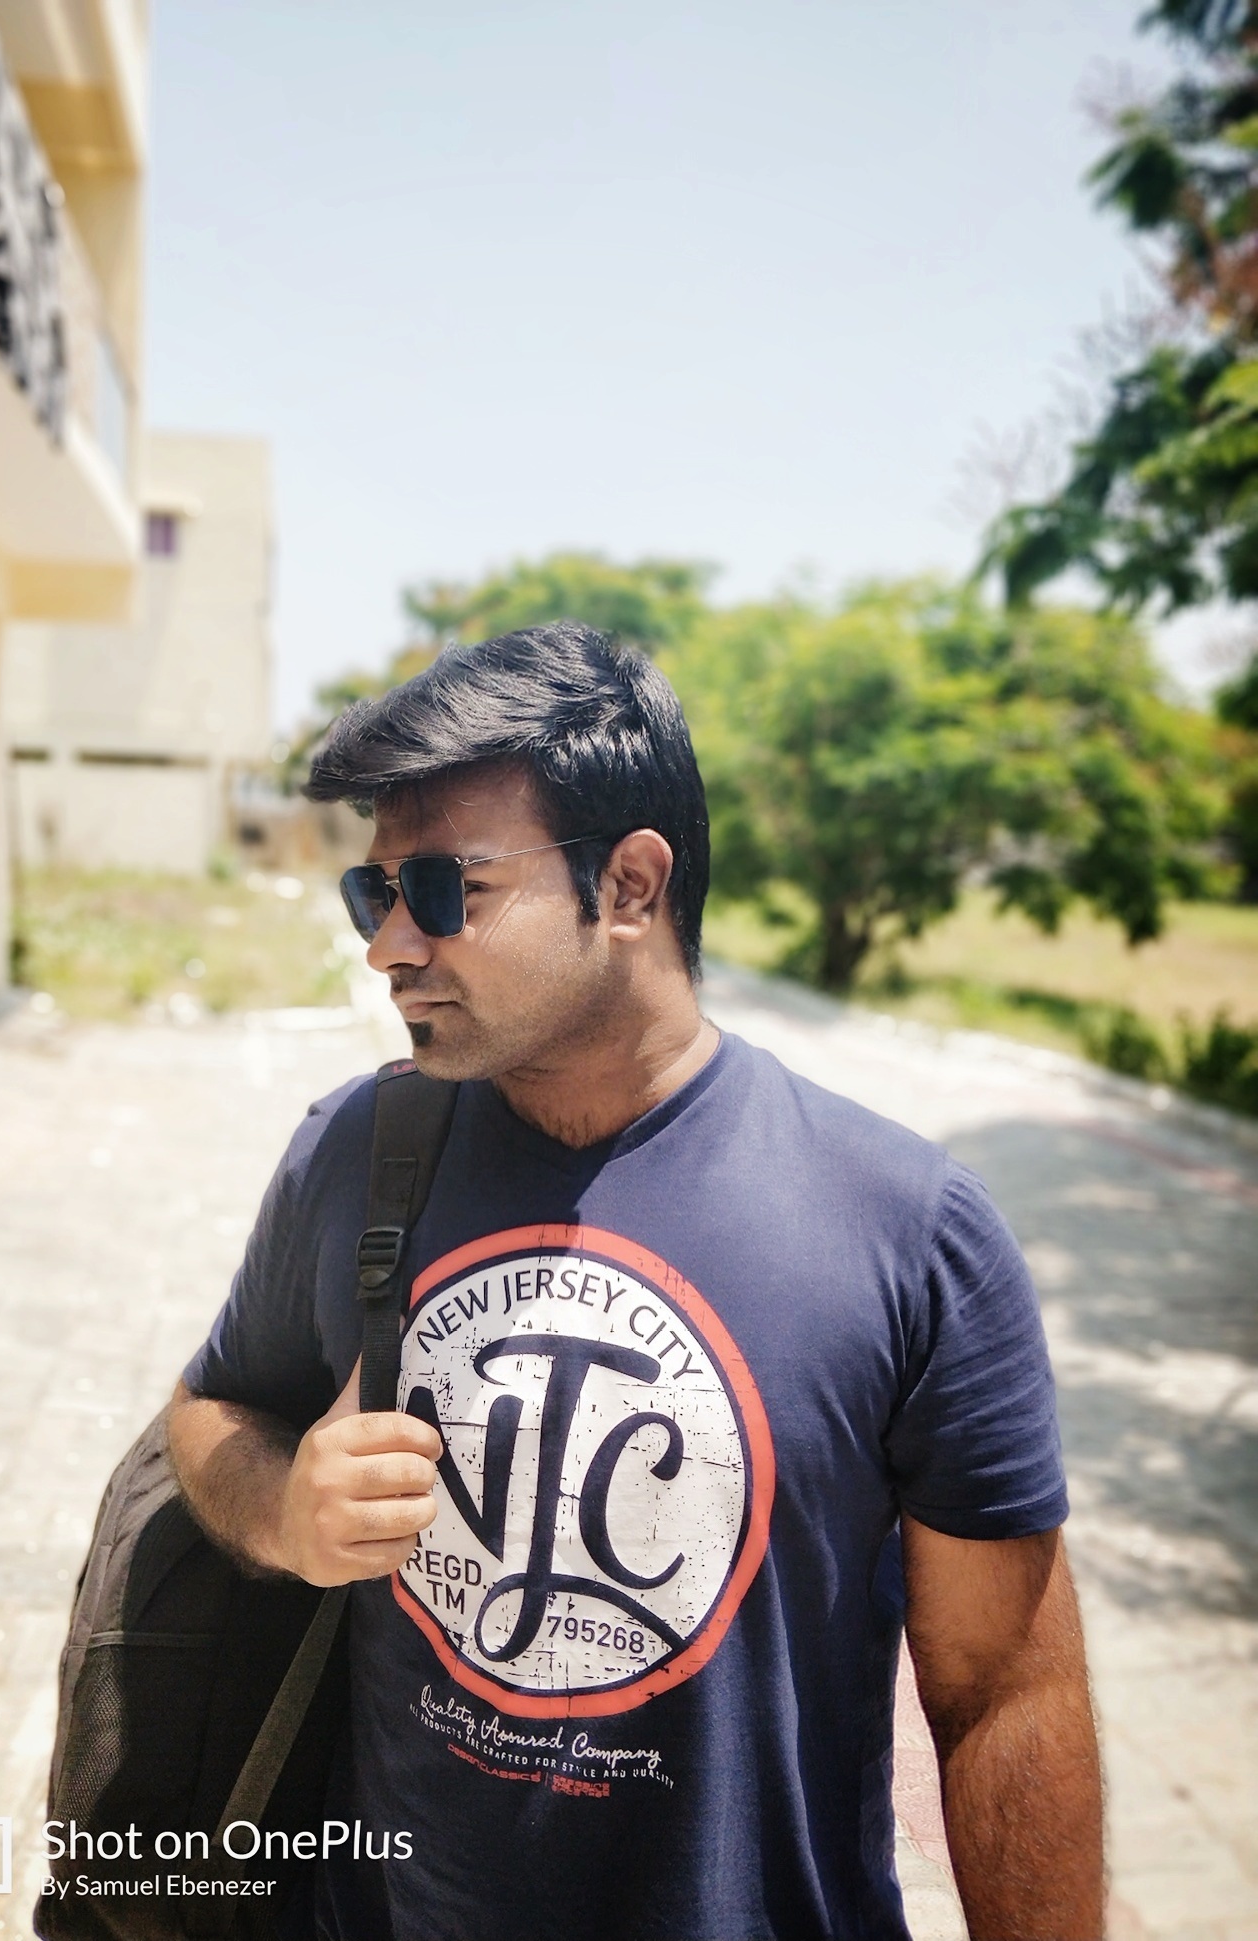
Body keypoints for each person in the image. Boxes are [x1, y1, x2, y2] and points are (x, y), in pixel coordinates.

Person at [167, 622, 1103, 1941]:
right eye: (371, 895)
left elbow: (1004, 1696)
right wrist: (283, 1508)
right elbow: (210, 1406)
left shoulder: (906, 1228)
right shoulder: (356, 1152)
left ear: (628, 884)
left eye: (440, 889)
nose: (388, 947)